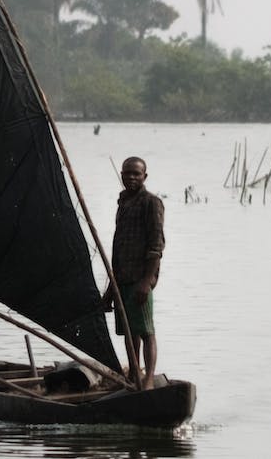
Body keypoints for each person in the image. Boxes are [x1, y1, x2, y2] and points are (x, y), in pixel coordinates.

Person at [103, 156, 164, 390]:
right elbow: (118, 250)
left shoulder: (151, 203)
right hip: (122, 279)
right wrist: (110, 290)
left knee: (146, 330)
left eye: (136, 174)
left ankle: (147, 380)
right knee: (129, 332)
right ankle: (134, 375)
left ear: (144, 177)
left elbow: (156, 247)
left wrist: (147, 282)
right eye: (127, 173)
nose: (131, 177)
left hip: (140, 280)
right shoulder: (123, 203)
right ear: (121, 175)